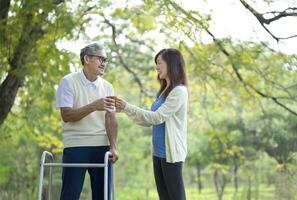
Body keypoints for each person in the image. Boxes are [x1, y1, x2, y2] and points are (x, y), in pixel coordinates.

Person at [113, 48, 188, 200]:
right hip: (158, 153)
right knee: (164, 197)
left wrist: (127, 106)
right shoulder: (163, 92)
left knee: (176, 197)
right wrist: (125, 110)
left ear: (171, 64)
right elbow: (149, 121)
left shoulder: (179, 91)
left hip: (171, 154)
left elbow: (157, 117)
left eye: (159, 63)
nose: (156, 67)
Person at [56, 43, 118, 200]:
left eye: (105, 59)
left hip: (102, 148)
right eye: (100, 58)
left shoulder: (108, 87)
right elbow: (67, 115)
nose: (104, 63)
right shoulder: (68, 82)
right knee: (70, 195)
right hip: (76, 145)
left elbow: (110, 118)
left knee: (103, 196)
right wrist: (94, 106)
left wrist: (113, 147)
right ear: (87, 59)